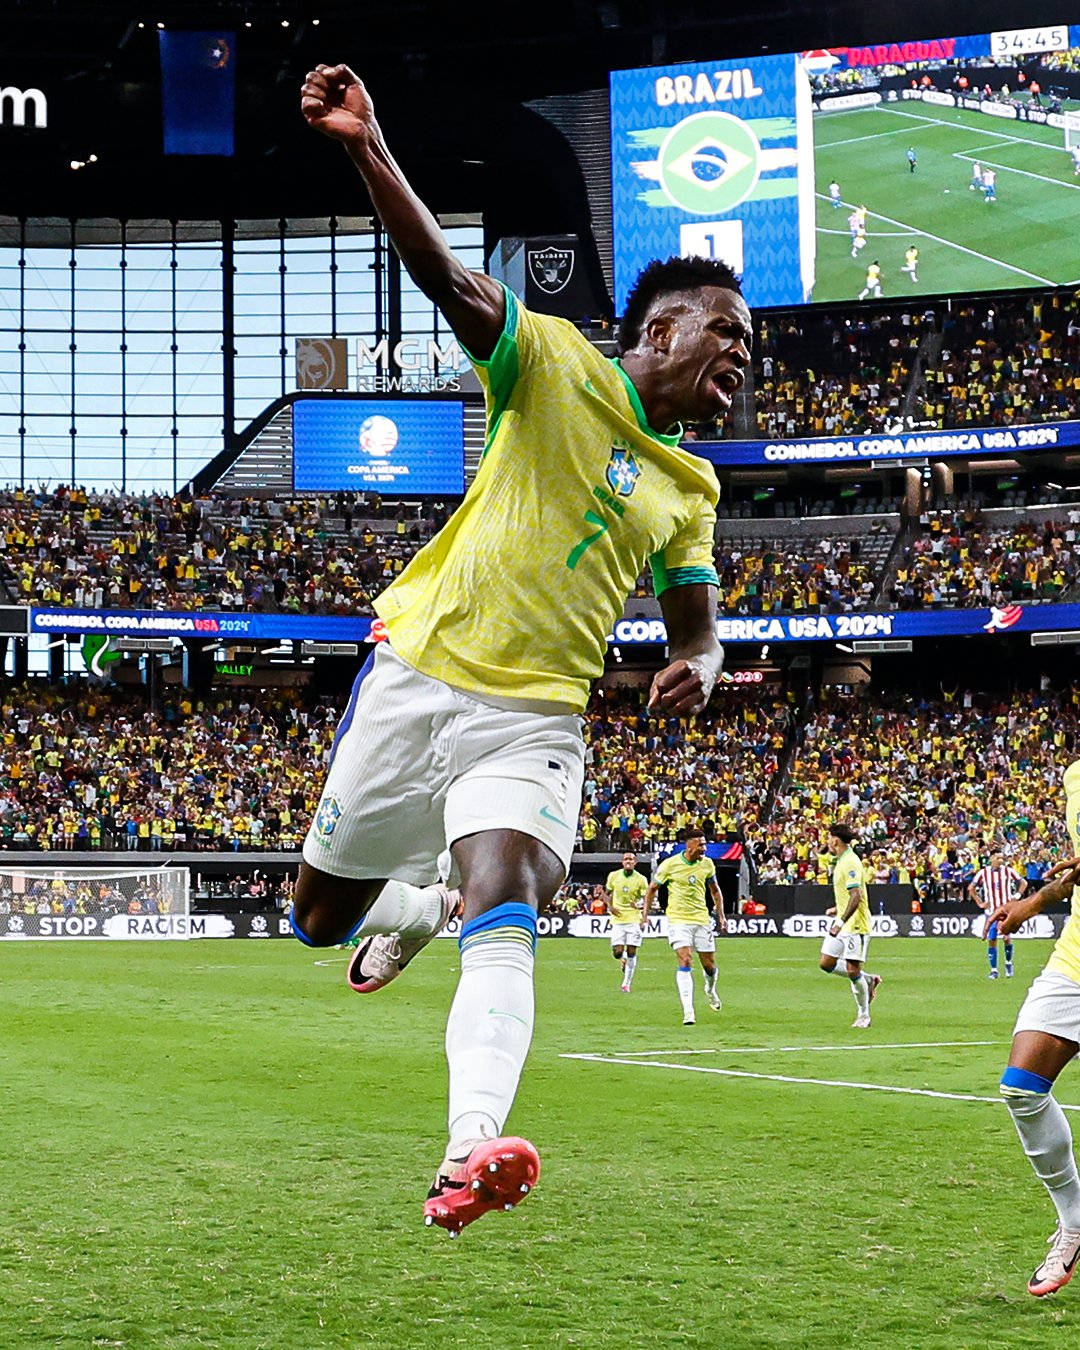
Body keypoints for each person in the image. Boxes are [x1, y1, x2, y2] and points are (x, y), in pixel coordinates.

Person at [295, 61, 748, 1237]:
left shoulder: (691, 485)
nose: (744, 355)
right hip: (420, 672)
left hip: (538, 716)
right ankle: (407, 909)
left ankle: (467, 1151)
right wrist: (367, 144)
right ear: (662, 328)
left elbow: (695, 621)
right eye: (728, 333)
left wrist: (695, 664)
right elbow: (444, 273)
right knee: (315, 917)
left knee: (515, 894)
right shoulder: (551, 361)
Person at [987, 762, 1080, 1296]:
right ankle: (1073, 1225)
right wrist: (1034, 903)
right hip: (1074, 959)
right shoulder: (1073, 776)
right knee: (1021, 1088)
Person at [642, 828, 727, 1024]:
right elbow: (652, 889)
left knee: (709, 965)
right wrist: (644, 915)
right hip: (678, 920)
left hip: (701, 919)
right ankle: (688, 1011)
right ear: (689, 845)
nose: (704, 849)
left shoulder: (707, 864)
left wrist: (721, 916)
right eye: (701, 845)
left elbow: (715, 891)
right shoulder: (669, 865)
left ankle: (710, 989)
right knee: (685, 959)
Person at [820, 823, 881, 1028]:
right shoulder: (842, 861)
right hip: (844, 922)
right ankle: (869, 980)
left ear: (835, 839)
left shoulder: (851, 862)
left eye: (828, 838)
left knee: (853, 970)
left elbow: (857, 896)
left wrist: (841, 920)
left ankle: (864, 1015)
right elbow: (848, 896)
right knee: (826, 963)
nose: (827, 842)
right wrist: (836, 909)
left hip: (856, 925)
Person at [969, 849, 1022, 978]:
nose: (1001, 861)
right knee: (992, 939)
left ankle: (1008, 963)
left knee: (1006, 938)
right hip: (991, 912)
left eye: (1002, 858)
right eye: (998, 858)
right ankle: (994, 970)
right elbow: (971, 888)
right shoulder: (983, 873)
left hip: (1005, 911)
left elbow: (1023, 883)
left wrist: (1017, 896)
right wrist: (980, 903)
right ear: (991, 858)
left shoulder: (1008, 871)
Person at [605, 851, 648, 992]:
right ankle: (622, 958)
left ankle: (626, 984)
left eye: (631, 859)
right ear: (622, 862)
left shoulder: (641, 879)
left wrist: (640, 907)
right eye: (626, 859)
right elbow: (606, 894)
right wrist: (610, 907)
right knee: (617, 952)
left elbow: (646, 899)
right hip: (618, 919)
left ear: (635, 862)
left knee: (632, 950)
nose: (628, 861)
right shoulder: (613, 876)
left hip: (633, 919)